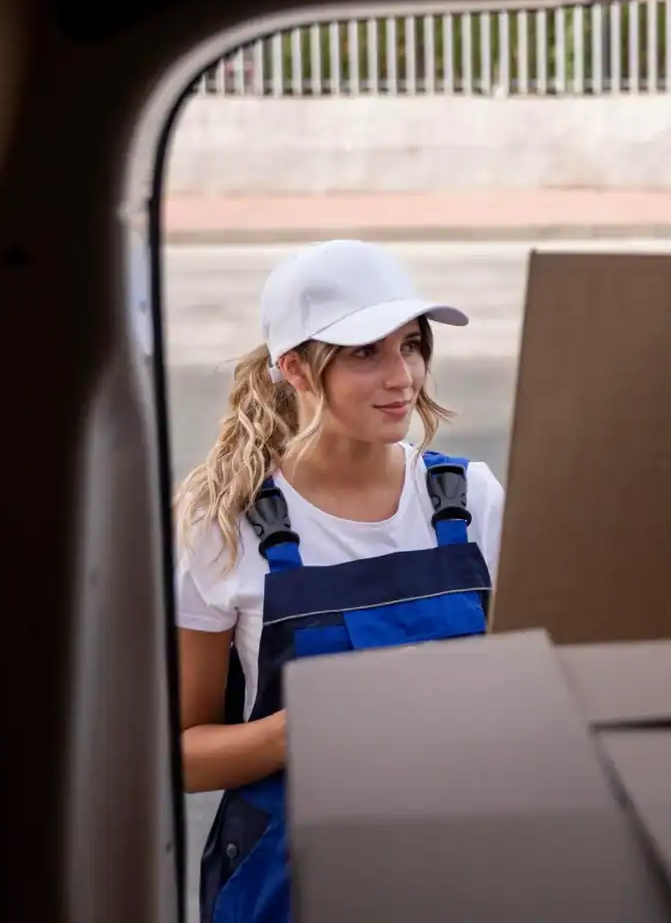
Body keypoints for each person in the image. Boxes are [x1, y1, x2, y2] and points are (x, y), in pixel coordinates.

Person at [172, 239, 505, 923]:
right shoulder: (224, 528)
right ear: (295, 368)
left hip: (462, 870)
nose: (402, 376)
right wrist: (305, 730)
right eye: (365, 353)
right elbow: (182, 754)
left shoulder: (471, 499)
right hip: (290, 888)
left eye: (410, 345)